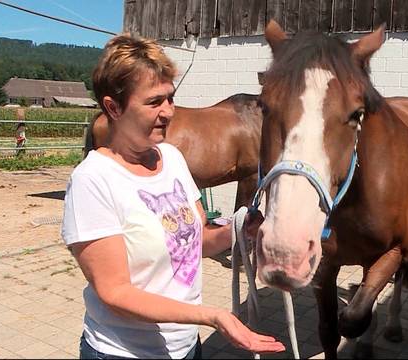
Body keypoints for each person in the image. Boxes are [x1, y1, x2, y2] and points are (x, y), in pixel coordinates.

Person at [61, 34, 284, 359]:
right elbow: (114, 292)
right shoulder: (92, 181)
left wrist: (238, 231)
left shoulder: (172, 159)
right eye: (154, 102)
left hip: (184, 347)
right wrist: (212, 316)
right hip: (123, 352)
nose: (168, 112)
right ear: (114, 107)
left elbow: (194, 242)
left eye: (170, 98)